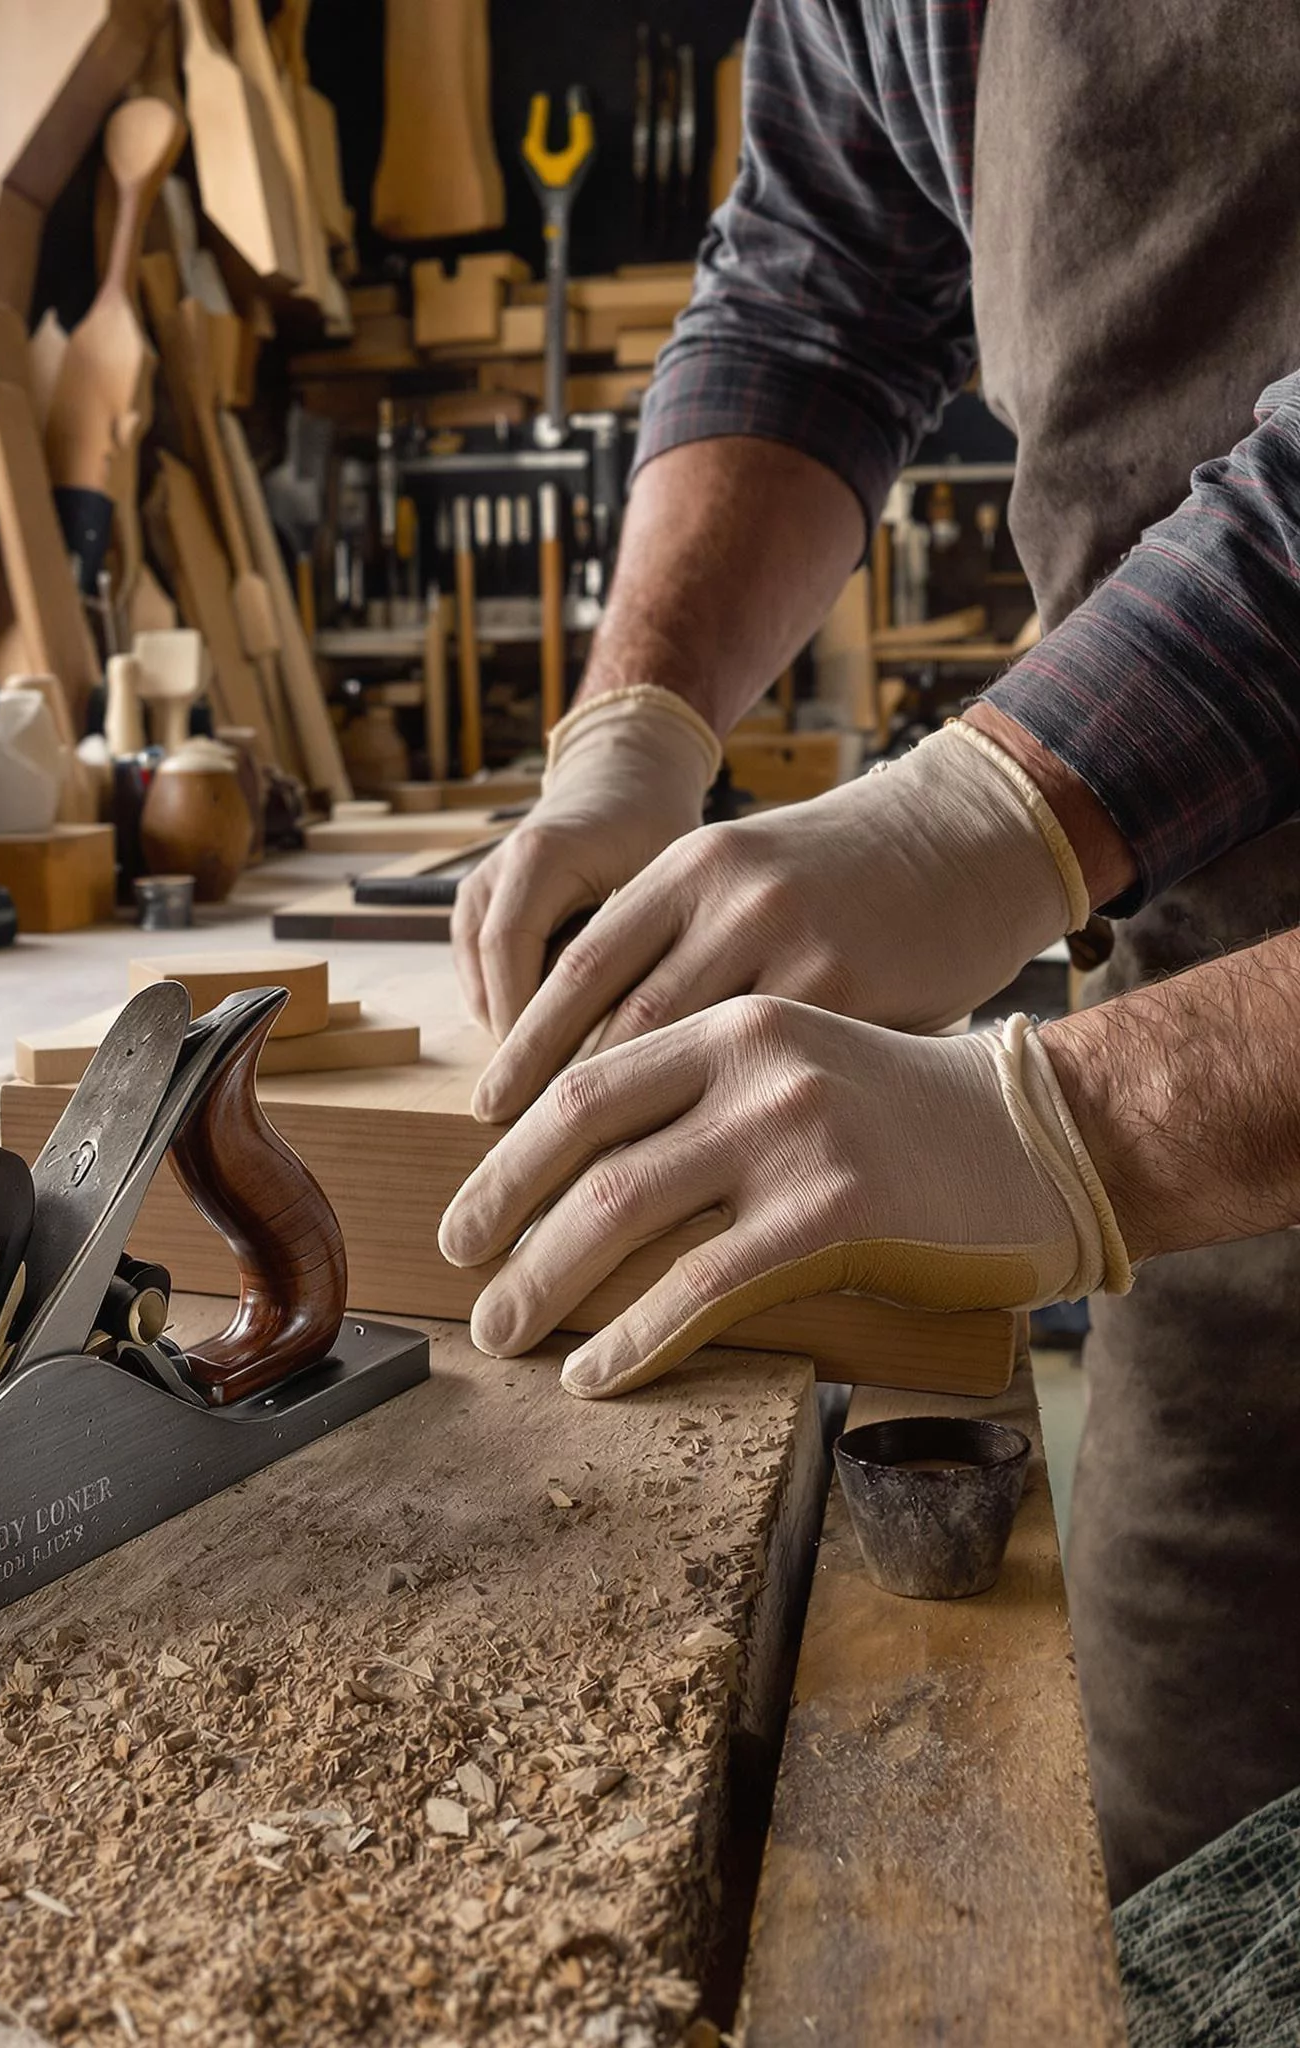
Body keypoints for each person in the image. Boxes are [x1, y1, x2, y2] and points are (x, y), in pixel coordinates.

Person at [448, 0, 1300, 1904]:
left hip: (1155, 1108)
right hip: (1200, 1206)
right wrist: (636, 730)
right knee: (1173, 1902)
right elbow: (811, 290)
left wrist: (980, 822)